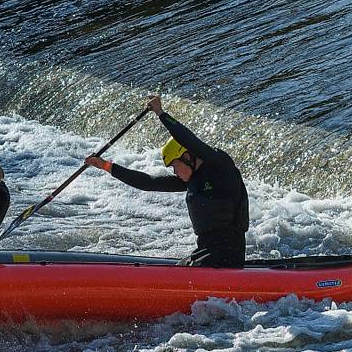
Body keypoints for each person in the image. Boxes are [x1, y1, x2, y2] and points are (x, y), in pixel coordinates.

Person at [85, 95, 249, 268]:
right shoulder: (193, 180)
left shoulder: (220, 167)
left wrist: (161, 113)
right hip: (205, 253)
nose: (174, 172)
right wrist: (106, 166)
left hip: (228, 255)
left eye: (174, 165)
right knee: (180, 266)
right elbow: (148, 182)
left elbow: (189, 140)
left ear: (187, 157)